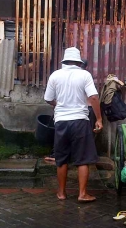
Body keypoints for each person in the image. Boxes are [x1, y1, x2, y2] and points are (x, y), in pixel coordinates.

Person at [44, 47, 103, 202]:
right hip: (80, 121)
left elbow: (48, 98)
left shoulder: (55, 75)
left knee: (61, 158)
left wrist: (59, 105)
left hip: (61, 122)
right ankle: (82, 194)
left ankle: (61, 193)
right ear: (78, 61)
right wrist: (99, 119)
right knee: (83, 158)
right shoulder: (84, 75)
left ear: (64, 60)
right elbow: (94, 98)